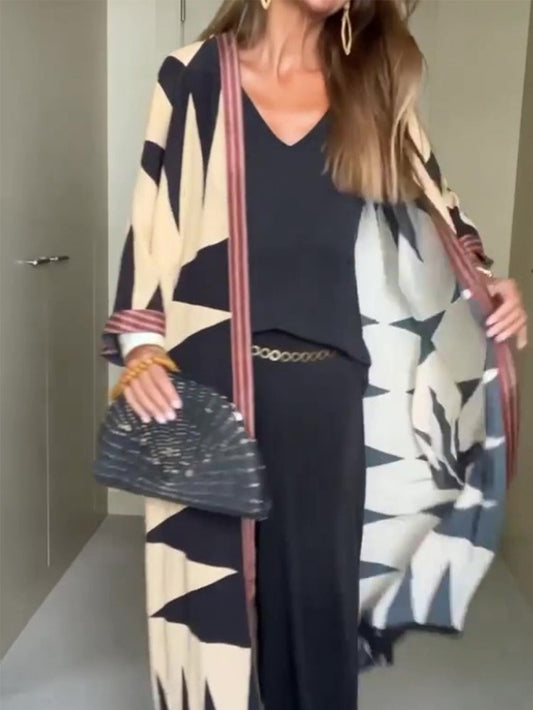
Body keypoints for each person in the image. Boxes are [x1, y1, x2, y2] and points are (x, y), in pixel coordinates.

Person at [102, 1, 528, 709]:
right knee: (207, 600)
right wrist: (143, 341)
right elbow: (154, 216)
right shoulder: (193, 76)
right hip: (206, 386)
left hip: (323, 388)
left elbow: (438, 202)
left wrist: (485, 280)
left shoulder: (369, 88)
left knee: (316, 601)